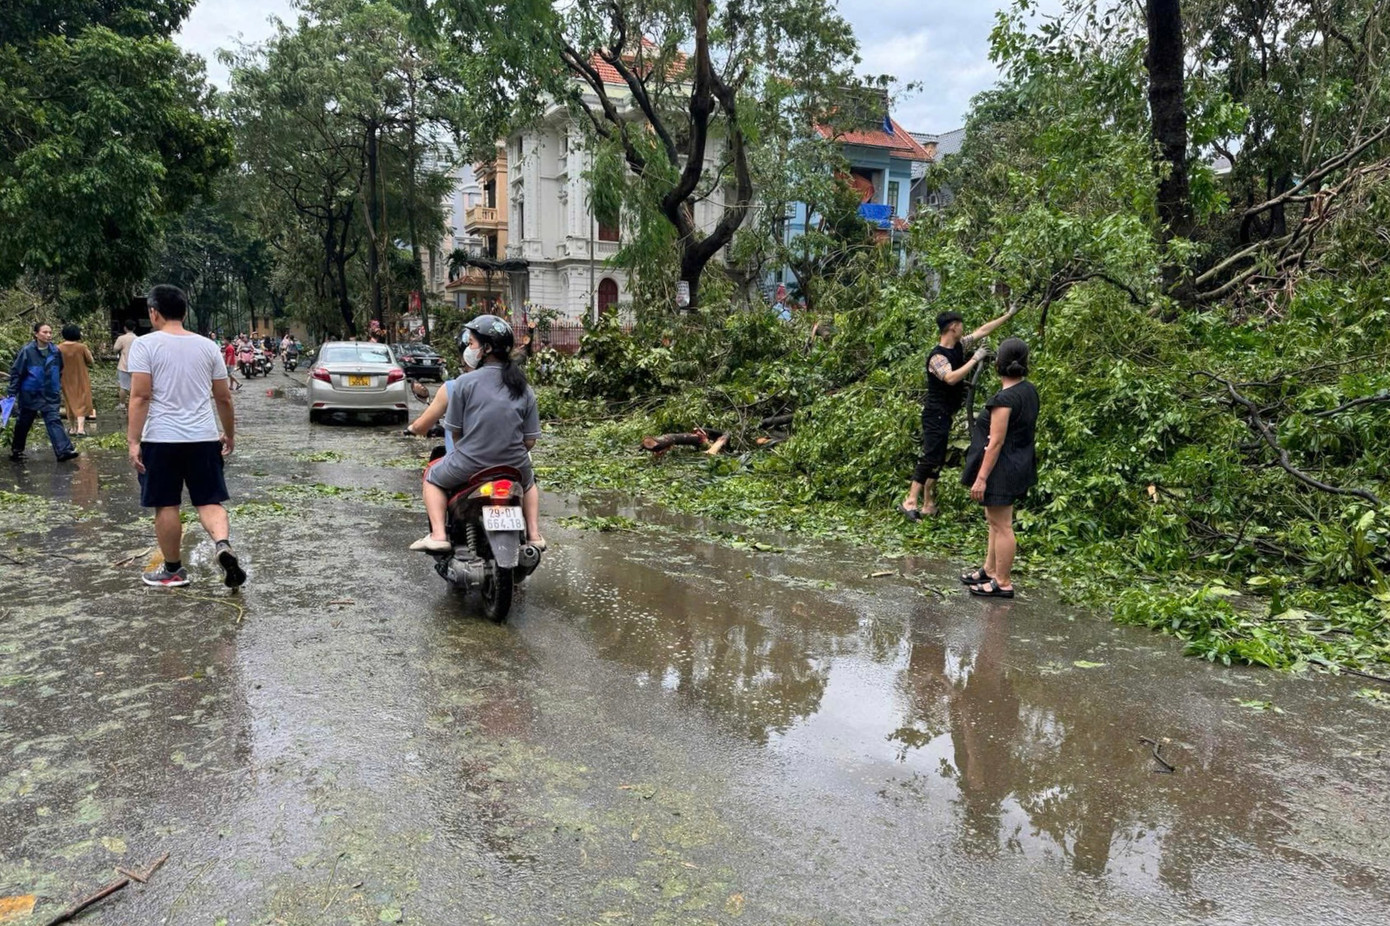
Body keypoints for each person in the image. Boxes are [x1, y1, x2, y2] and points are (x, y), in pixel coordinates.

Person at [126, 284, 246, 589]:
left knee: (166, 504)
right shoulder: (208, 346)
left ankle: (174, 570)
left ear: (154, 313)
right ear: (184, 311)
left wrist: (133, 440)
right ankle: (222, 544)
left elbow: (140, 396)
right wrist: (229, 435)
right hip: (203, 437)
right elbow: (224, 398)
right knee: (209, 500)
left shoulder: (145, 345)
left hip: (161, 439)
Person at [412, 315, 545, 553]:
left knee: (431, 476)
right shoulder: (524, 387)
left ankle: (439, 535)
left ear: (487, 348)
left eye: (472, 343)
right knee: (530, 482)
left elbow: (455, 435)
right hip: (515, 466)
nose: (469, 348)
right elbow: (530, 440)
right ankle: (534, 536)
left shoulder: (464, 383)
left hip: (470, 464)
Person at [900, 304, 1019, 519]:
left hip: (945, 413)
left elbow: (982, 331)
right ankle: (910, 500)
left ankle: (928, 503)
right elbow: (951, 377)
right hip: (934, 414)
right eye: (961, 325)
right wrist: (975, 359)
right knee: (931, 457)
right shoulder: (937, 357)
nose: (964, 329)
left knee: (938, 458)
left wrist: (1008, 315)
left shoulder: (958, 346)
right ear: (953, 327)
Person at [960, 338, 1038, 599]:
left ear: (997, 365)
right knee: (994, 521)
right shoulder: (1029, 391)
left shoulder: (1004, 400)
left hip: (1002, 468)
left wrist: (981, 478)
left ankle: (1003, 582)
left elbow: (995, 443)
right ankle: (990, 570)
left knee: (1003, 525)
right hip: (1019, 463)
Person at [6, 322, 79, 463]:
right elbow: (17, 372)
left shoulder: (55, 351)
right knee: (24, 422)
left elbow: (60, 369)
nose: (48, 335)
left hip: (50, 393)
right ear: (36, 334)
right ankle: (17, 450)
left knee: (53, 420)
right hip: (30, 393)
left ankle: (63, 451)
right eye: (45, 332)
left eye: (50, 332)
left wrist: (55, 385)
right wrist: (12, 393)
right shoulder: (27, 351)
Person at [57, 325, 95, 436]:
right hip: (80, 377)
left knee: (69, 402)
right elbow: (90, 361)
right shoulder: (81, 347)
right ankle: (81, 429)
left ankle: (72, 428)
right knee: (82, 401)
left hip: (65, 378)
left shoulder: (58, 348)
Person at [114, 321, 138, 410]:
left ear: (125, 328)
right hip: (135, 366)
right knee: (134, 387)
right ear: (134, 328)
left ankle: (122, 404)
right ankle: (133, 404)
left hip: (123, 365)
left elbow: (115, 349)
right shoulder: (138, 339)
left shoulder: (121, 338)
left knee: (123, 386)